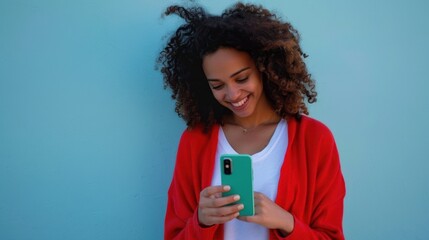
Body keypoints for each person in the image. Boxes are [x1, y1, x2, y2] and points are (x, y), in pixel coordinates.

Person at [157, 2, 346, 239]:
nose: (233, 94)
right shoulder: (195, 141)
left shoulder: (315, 140)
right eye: (217, 85)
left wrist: (286, 222)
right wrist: (201, 221)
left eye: (242, 78)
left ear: (264, 68)